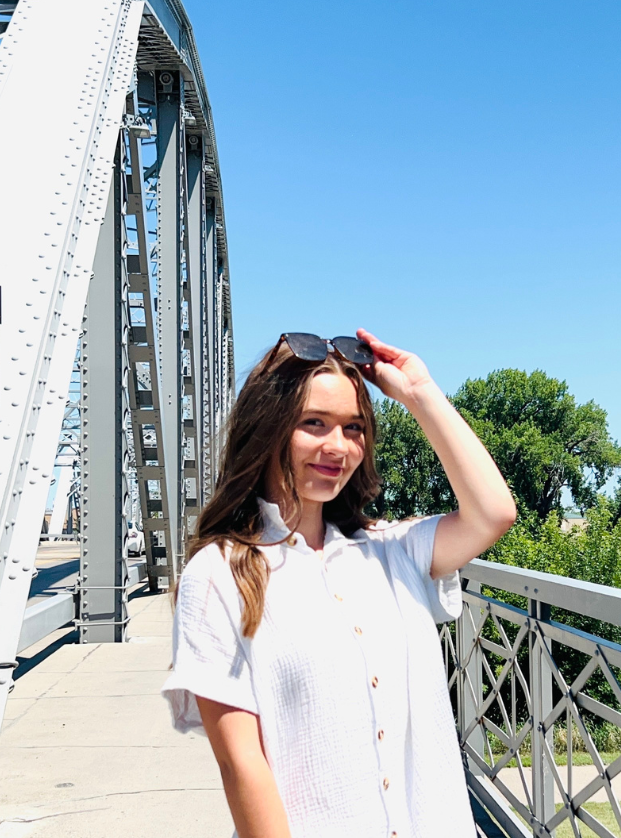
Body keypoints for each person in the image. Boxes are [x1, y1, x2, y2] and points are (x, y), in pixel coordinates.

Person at [161, 329, 517, 838]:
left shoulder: (392, 550)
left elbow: (493, 513)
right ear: (268, 427)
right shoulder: (221, 573)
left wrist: (419, 393)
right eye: (314, 423)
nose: (338, 447)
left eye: (354, 428)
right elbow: (242, 764)